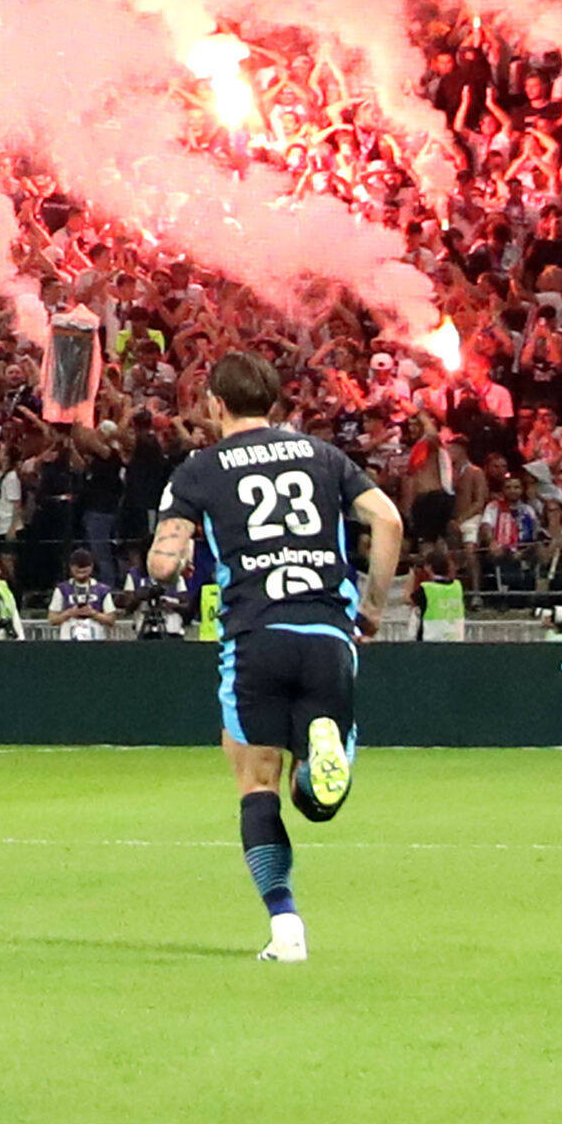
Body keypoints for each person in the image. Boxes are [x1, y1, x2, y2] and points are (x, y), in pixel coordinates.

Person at [142, 350, 405, 964]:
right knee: (313, 801)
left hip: (255, 635)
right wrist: (371, 610)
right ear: (277, 404)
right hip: (327, 631)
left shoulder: (198, 470)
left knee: (255, 782)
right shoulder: (325, 456)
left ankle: (286, 929)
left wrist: (168, 563)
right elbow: (387, 520)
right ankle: (318, 770)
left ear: (215, 404)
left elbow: (164, 559)